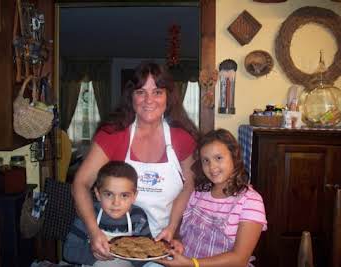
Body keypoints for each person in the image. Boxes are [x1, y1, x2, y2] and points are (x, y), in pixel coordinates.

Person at [71, 61, 199, 266]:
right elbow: (81, 183)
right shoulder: (113, 135)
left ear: (168, 97)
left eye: (157, 92)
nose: (149, 100)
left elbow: (190, 186)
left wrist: (174, 231)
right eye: (141, 92)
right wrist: (94, 232)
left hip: (163, 244)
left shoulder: (182, 138)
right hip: (113, 247)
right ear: (131, 97)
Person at [158, 129, 267, 267]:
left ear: (234, 157)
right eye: (206, 160)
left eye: (219, 158)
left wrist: (192, 264)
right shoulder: (198, 194)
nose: (212, 166)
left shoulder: (251, 201)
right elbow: (183, 231)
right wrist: (177, 241)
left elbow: (239, 259)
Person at [64, 161, 151, 267]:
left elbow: (147, 254)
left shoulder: (138, 218)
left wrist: (130, 254)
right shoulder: (88, 215)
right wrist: (93, 254)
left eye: (124, 195)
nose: (116, 202)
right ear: (98, 194)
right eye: (109, 194)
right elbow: (68, 252)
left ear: (134, 196)